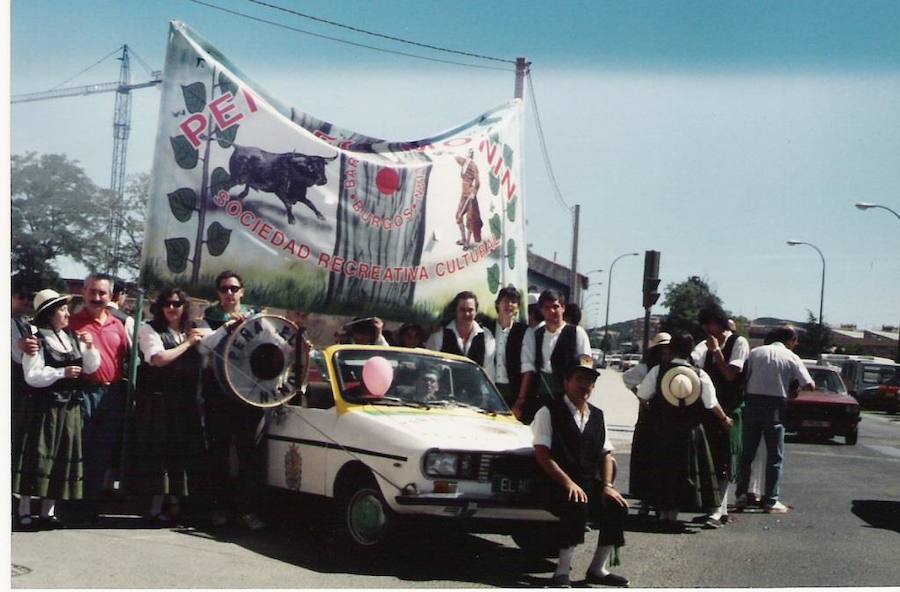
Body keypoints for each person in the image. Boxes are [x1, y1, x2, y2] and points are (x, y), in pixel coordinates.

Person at [532, 359, 629, 588]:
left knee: (617, 506)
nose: (585, 385)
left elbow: (606, 453)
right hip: (552, 484)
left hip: (588, 483)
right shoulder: (549, 411)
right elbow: (542, 453)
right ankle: (561, 572)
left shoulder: (598, 415)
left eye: (590, 381)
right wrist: (567, 483)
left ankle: (597, 570)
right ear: (566, 381)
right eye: (580, 379)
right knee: (577, 502)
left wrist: (607, 486)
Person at [14, 289, 99, 528]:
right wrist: (62, 372)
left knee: (61, 457)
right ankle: (23, 511)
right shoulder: (36, 340)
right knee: (37, 457)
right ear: (50, 314)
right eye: (62, 309)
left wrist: (90, 347)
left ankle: (48, 512)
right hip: (45, 407)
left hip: (69, 406)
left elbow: (91, 367)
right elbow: (32, 375)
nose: (66, 313)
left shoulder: (71, 337)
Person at [635, 333, 733, 529]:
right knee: (685, 470)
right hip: (690, 431)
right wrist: (724, 419)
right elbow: (710, 403)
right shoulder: (699, 374)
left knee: (664, 469)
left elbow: (642, 394)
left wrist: (654, 408)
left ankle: (664, 514)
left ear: (670, 349)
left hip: (663, 429)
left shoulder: (658, 371)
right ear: (690, 351)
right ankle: (676, 512)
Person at [195, 270, 266, 530]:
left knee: (249, 455)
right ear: (218, 293)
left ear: (242, 292)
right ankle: (219, 509)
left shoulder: (255, 316)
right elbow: (203, 347)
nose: (229, 293)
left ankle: (248, 512)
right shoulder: (208, 318)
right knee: (218, 453)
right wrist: (227, 327)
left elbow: (272, 342)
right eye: (224, 289)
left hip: (247, 393)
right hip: (218, 393)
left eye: (234, 289)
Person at [129, 288, 206, 523]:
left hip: (185, 403)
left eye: (177, 304)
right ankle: (154, 508)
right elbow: (158, 359)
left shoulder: (190, 330)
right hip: (159, 402)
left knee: (182, 455)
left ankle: (177, 505)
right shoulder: (149, 329)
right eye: (167, 304)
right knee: (159, 456)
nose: (172, 308)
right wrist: (189, 343)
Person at [735, 326, 814, 514]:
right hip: (776, 406)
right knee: (774, 456)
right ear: (790, 340)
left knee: (747, 454)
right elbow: (809, 384)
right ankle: (770, 499)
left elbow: (743, 377)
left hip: (752, 404)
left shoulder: (755, 353)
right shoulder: (792, 357)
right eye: (795, 342)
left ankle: (741, 494)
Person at [69, 272, 130, 514]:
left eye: (102, 293)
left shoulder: (119, 324)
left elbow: (126, 358)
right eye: (92, 291)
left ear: (110, 295)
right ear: (83, 292)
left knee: (103, 450)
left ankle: (92, 504)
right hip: (82, 392)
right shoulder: (71, 322)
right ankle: (72, 503)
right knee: (80, 447)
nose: (96, 297)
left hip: (111, 395)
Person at [691, 304, 750, 528]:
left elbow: (729, 376)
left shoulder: (739, 342)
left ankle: (717, 510)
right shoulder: (705, 345)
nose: (708, 328)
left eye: (710, 323)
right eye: (705, 325)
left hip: (730, 408)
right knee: (710, 459)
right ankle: (717, 509)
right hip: (710, 409)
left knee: (725, 460)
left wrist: (716, 351)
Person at [516, 290, 592, 424]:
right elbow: (529, 367)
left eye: (555, 306)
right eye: (547, 307)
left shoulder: (577, 333)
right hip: (540, 398)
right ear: (541, 310)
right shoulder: (535, 334)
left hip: (568, 399)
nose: (552, 311)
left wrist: (581, 401)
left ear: (563, 308)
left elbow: (586, 369)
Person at [621, 332, 672, 518]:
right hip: (648, 418)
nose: (664, 352)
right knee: (645, 458)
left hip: (665, 419)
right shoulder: (646, 368)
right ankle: (644, 499)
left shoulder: (672, 368)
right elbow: (627, 378)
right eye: (662, 349)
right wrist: (640, 396)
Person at [425, 291, 496, 379]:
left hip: (475, 391)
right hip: (445, 390)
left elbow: (489, 373)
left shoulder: (486, 336)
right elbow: (430, 366)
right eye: (462, 310)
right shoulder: (439, 334)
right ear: (456, 311)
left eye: (470, 310)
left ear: (476, 311)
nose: (466, 314)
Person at [483, 286, 530, 409]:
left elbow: (527, 369)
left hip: (513, 392)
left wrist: (520, 401)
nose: (509, 304)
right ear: (498, 304)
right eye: (505, 301)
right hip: (488, 390)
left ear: (518, 307)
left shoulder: (524, 331)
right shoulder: (486, 328)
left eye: (513, 302)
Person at [454, 148, 483, 250]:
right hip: (464, 193)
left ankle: (467, 242)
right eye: (468, 152)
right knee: (458, 216)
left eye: (470, 152)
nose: (468, 154)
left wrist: (474, 193)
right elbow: (456, 158)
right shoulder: (464, 163)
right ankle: (463, 238)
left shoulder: (473, 165)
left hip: (470, 195)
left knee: (470, 218)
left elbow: (478, 182)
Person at [108, 278, 135, 346]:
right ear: (120, 294)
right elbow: (132, 348)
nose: (126, 296)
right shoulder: (126, 320)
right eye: (125, 293)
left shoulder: (91, 313)